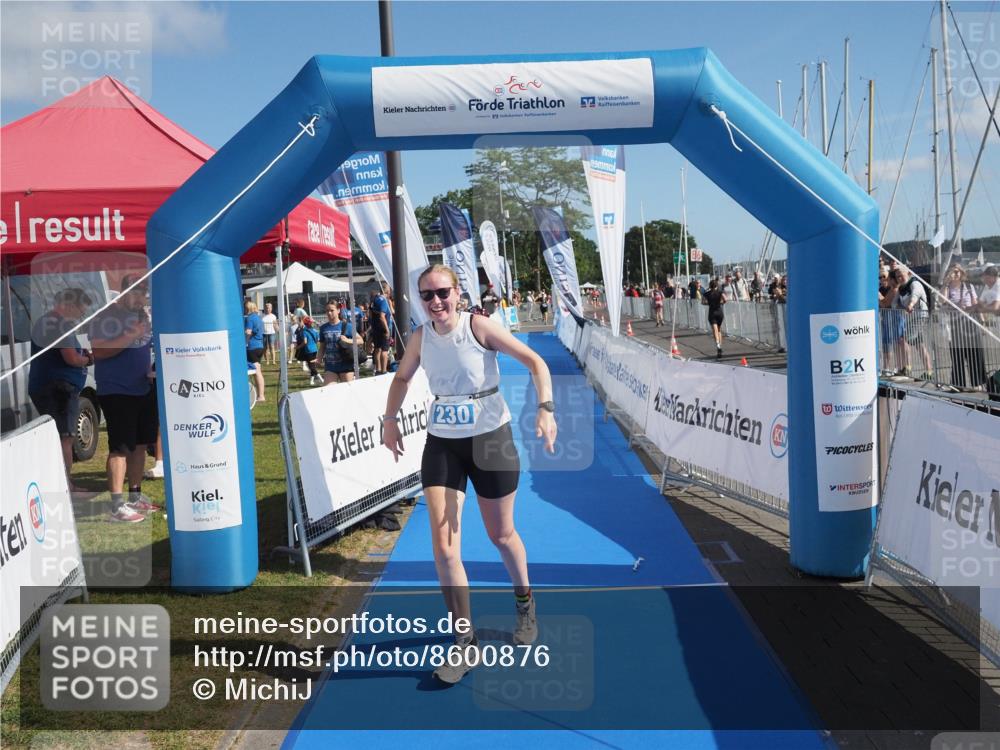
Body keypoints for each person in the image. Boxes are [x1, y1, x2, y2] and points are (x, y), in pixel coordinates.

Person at [381, 264, 557, 684]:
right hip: (444, 443)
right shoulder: (421, 337)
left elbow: (535, 362)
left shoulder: (479, 327)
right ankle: (464, 642)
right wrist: (389, 418)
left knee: (501, 535)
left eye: (442, 293)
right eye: (427, 296)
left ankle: (524, 599)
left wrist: (545, 409)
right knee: (443, 550)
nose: (435, 302)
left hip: (491, 440)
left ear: (458, 293)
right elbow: (402, 377)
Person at [89, 276, 161, 522]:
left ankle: (135, 496)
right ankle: (117, 506)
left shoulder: (144, 316)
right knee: (120, 447)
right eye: (137, 293)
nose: (142, 299)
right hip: (116, 390)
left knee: (140, 445)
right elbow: (98, 351)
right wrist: (132, 335)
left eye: (145, 294)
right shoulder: (106, 316)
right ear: (125, 292)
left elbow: (147, 347)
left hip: (143, 386)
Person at [28, 288, 95, 492]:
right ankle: (67, 485)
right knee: (65, 437)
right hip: (59, 389)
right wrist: (90, 359)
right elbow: (72, 359)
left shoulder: (47, 322)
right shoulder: (59, 324)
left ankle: (62, 482)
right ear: (69, 305)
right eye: (80, 311)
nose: (80, 316)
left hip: (49, 386)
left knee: (60, 435)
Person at [941, 263, 986, 389]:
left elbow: (976, 305)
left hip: (970, 321)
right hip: (955, 323)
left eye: (957, 271)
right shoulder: (947, 288)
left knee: (974, 353)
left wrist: (982, 322)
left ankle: (977, 383)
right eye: (952, 271)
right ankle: (958, 384)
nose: (955, 274)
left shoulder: (969, 286)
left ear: (961, 273)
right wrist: (945, 283)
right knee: (957, 353)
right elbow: (942, 300)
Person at [894, 266, 932, 379]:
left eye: (902, 275)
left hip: (920, 316)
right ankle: (929, 372)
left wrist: (910, 305)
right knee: (919, 344)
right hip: (911, 318)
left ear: (909, 273)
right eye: (897, 276)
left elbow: (915, 295)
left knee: (904, 339)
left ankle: (908, 368)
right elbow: (894, 303)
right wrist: (897, 308)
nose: (900, 278)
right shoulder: (901, 288)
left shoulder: (915, 283)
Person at [318, 302, 360, 384]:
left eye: (332, 310)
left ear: (338, 310)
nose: (329, 313)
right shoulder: (323, 328)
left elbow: (360, 340)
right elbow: (322, 346)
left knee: (347, 392)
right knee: (328, 390)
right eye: (327, 311)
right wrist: (319, 358)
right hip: (330, 366)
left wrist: (348, 340)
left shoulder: (347, 326)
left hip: (346, 365)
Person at [244, 301, 266, 403]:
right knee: (258, 371)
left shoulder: (250, 318)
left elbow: (248, 332)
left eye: (245, 307)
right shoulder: (258, 318)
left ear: (248, 308)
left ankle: (261, 396)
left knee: (256, 372)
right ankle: (260, 395)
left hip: (252, 347)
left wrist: (245, 342)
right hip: (260, 346)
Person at [369, 283, 393, 375]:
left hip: (376, 328)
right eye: (389, 290)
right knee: (384, 350)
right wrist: (387, 330)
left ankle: (378, 370)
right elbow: (382, 316)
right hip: (382, 328)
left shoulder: (375, 299)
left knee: (377, 349)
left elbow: (370, 314)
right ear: (387, 290)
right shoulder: (384, 301)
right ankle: (384, 370)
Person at [702, 278, 727, 358]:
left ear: (710, 286)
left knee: (715, 330)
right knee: (719, 330)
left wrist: (709, 303)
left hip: (712, 313)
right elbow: (725, 299)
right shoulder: (720, 292)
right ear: (716, 285)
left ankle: (718, 345)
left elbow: (703, 302)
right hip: (719, 312)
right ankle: (720, 347)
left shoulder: (706, 294)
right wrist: (721, 302)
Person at [295, 316, 322, 384]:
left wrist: (298, 347)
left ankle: (321, 379)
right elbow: (316, 341)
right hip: (315, 349)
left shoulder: (304, 331)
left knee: (312, 367)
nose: (313, 323)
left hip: (308, 350)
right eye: (312, 322)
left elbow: (305, 342)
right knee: (312, 365)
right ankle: (311, 381)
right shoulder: (315, 331)